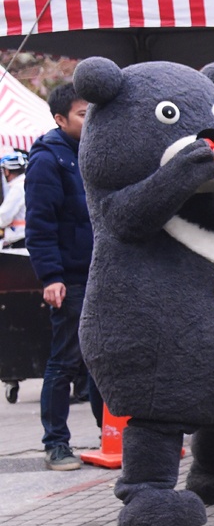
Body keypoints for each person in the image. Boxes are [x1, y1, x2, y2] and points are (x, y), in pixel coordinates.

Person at [24, 84, 99, 470]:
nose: (91, 120)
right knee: (65, 361)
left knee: (104, 359)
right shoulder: (47, 160)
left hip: (102, 273)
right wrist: (50, 276)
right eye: (83, 115)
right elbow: (40, 225)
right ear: (60, 119)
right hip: (69, 278)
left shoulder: (96, 152)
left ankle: (113, 434)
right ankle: (56, 443)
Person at [0, 151, 27, 247]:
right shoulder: (26, 183)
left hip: (20, 238)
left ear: (7, 171)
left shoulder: (17, 188)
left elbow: (4, 216)